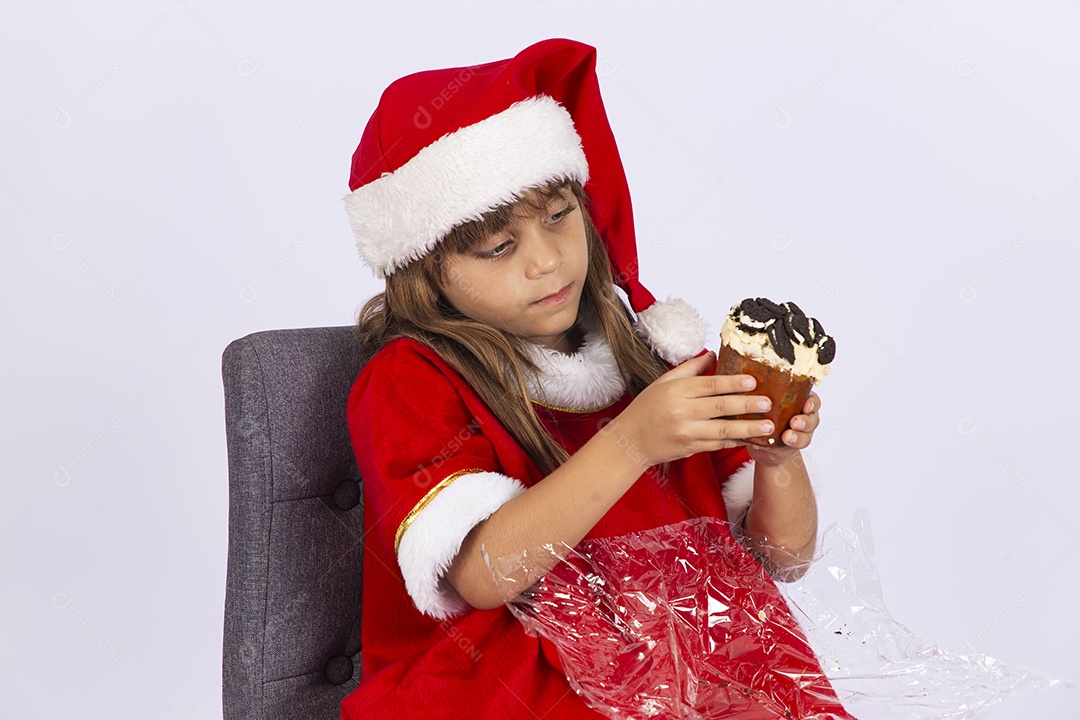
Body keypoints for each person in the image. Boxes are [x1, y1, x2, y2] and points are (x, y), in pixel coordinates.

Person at [341, 38, 853, 719]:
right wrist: (631, 445)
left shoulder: (654, 358)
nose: (547, 260)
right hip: (514, 678)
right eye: (498, 246)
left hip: (695, 658)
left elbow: (783, 559)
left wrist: (776, 457)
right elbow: (483, 575)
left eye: (559, 216)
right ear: (424, 272)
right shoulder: (411, 380)